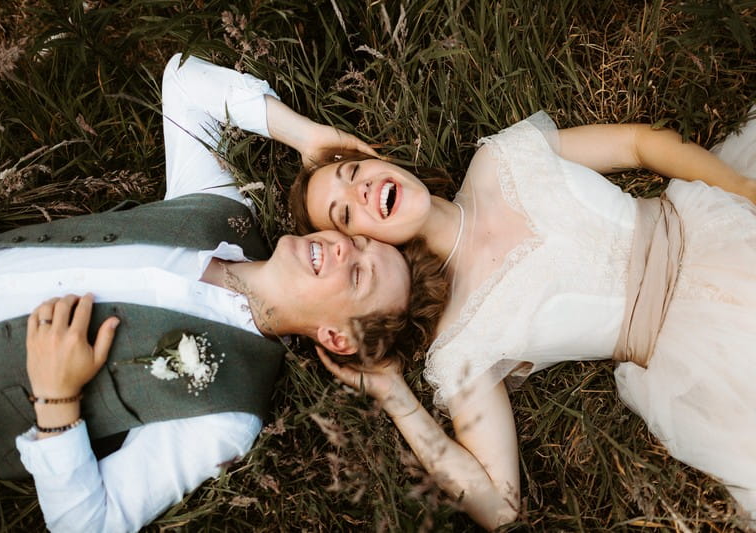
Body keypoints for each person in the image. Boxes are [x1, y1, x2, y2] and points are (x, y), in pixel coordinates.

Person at [0, 54, 438, 532]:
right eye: (357, 241)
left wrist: (56, 403)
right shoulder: (222, 212)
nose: (340, 250)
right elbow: (183, 81)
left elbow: (91, 523)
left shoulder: (228, 413)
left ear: (337, 338)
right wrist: (305, 136)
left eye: (357, 276)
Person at [290, 109, 756, 529]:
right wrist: (396, 398)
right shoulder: (459, 343)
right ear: (362, 249)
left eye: (352, 172)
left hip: (713, 219)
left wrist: (741, 190)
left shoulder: (500, 159)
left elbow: (635, 143)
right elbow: (501, 507)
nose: (361, 189)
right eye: (346, 213)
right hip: (712, 342)